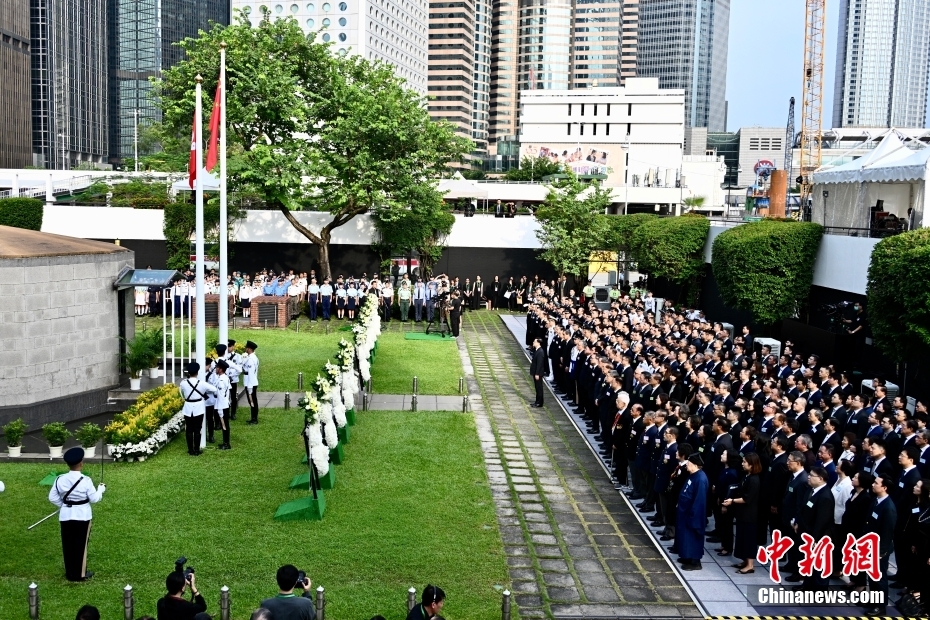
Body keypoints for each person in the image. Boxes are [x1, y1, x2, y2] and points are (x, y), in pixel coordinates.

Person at [48, 448, 105, 581]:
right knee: (81, 544)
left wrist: (63, 505)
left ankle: (70, 573)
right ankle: (80, 574)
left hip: (66, 515)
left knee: (68, 544)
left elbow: (52, 497)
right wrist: (101, 489)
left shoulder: (59, 479)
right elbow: (94, 498)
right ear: (81, 463)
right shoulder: (86, 480)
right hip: (83, 515)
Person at [863, 475, 897, 615]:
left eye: (876, 483)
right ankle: (873, 599)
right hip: (871, 545)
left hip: (879, 550)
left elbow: (887, 533)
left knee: (880, 577)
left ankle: (881, 607)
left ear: (884, 487)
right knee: (872, 576)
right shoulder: (876, 501)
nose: (873, 484)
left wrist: (880, 552)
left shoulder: (888, 507)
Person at [725, 452, 761, 574]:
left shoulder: (754, 480)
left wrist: (732, 501)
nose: (742, 463)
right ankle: (745, 560)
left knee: (749, 539)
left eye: (745, 462)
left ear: (751, 465)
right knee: (742, 538)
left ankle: (750, 565)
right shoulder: (747, 476)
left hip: (749, 515)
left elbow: (747, 499)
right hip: (742, 514)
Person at [676, 453, 708, 570]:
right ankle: (687, 556)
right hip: (685, 511)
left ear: (695, 465)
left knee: (692, 537)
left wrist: (693, 514)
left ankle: (695, 561)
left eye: (688, 463)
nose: (686, 465)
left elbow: (699, 500)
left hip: (692, 513)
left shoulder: (700, 479)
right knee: (685, 537)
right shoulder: (692, 475)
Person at [179, 363, 218, 456]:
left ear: (188, 372)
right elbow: (214, 389)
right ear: (197, 372)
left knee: (189, 429)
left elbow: (181, 393)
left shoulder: (183, 383)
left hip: (188, 407)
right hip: (198, 407)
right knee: (197, 429)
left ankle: (190, 449)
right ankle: (196, 449)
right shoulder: (202, 383)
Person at [214, 360, 233, 450]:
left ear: (221, 369)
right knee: (224, 424)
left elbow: (221, 395)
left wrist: (220, 409)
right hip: (225, 404)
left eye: (217, 367)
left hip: (222, 405)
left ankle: (226, 444)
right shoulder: (225, 377)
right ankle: (226, 442)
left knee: (224, 425)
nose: (216, 369)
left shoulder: (221, 380)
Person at [242, 340, 260, 425]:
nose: (245, 349)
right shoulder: (252, 358)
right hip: (251, 382)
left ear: (249, 349)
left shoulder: (251, 360)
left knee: (252, 401)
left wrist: (249, 387)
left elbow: (250, 373)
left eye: (246, 347)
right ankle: (253, 417)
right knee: (252, 401)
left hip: (250, 383)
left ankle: (254, 419)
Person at [530, 337, 547, 408]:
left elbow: (539, 364)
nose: (533, 343)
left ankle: (539, 402)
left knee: (539, 388)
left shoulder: (540, 352)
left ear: (538, 343)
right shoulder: (537, 350)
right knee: (537, 387)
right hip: (536, 372)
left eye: (534, 342)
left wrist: (537, 373)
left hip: (538, 373)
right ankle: (537, 401)